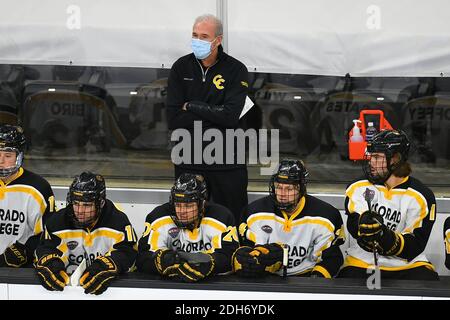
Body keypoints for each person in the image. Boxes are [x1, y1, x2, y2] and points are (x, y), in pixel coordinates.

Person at [167, 14, 249, 222]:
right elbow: (173, 118)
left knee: (232, 220)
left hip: (227, 159)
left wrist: (192, 106)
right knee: (188, 219)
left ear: (218, 40)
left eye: (204, 36)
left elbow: (231, 117)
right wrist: (215, 113)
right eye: (195, 35)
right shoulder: (180, 68)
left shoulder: (236, 70)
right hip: (188, 157)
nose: (198, 40)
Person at [339, 130, 439, 280]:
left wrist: (386, 238)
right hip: (362, 261)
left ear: (395, 159)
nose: (371, 162)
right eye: (371, 156)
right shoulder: (357, 187)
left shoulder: (422, 196)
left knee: (428, 283)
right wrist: (363, 227)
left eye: (377, 157)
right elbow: (354, 225)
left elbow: (415, 246)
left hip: (408, 264)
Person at [233, 159, 344, 278]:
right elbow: (244, 250)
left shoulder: (326, 215)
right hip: (266, 277)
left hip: (306, 277)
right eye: (278, 187)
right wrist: (247, 262)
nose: (282, 194)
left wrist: (316, 280)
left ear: (301, 188)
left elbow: (332, 258)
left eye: (289, 189)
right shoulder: (253, 213)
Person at [35, 172, 137, 295]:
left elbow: (129, 253)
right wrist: (49, 261)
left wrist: (110, 264)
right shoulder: (57, 222)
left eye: (87, 205)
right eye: (76, 204)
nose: (79, 211)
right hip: (66, 291)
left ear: (101, 203)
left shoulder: (118, 222)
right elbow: (44, 248)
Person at [136, 173, 238, 282]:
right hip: (170, 285)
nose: (182, 212)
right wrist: (164, 260)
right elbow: (143, 258)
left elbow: (229, 257)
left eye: (188, 206)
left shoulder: (221, 217)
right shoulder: (158, 217)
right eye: (178, 205)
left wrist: (210, 264)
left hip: (212, 285)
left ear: (202, 204)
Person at [0, 124, 55, 268]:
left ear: (19, 156)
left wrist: (25, 252)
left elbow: (48, 234)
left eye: (7, 155)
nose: (1, 161)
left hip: (21, 271)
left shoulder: (38, 188)